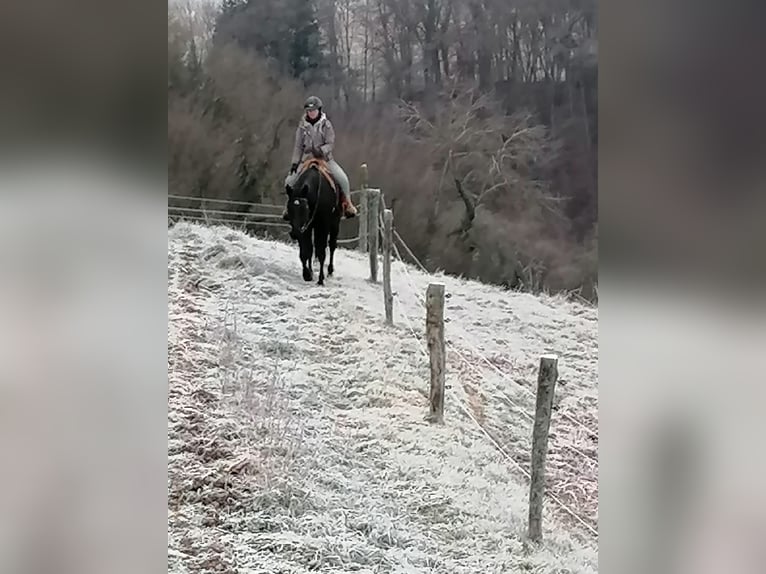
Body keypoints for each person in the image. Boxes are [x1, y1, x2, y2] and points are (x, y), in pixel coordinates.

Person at [283, 96, 357, 220]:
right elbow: (298, 146)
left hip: (325, 159)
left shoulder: (326, 125)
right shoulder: (302, 127)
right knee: (289, 181)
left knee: (343, 178)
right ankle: (288, 207)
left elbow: (331, 143)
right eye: (309, 111)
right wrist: (295, 163)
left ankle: (348, 204)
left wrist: (321, 150)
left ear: (319, 110)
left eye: (313, 110)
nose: (311, 113)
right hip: (307, 159)